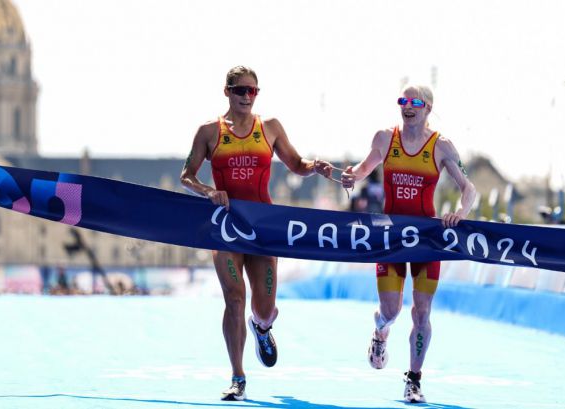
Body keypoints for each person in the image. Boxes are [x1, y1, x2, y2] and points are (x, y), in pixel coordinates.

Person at [180, 66, 332, 401]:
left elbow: (295, 164)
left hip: (263, 229)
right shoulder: (209, 131)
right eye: (241, 90)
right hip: (225, 229)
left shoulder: (270, 127)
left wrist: (314, 167)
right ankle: (238, 376)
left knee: (263, 308)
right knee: (234, 298)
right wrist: (207, 191)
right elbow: (186, 176)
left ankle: (262, 327)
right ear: (227, 92)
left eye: (253, 91)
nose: (247, 97)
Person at [341, 84, 477, 403]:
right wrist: (350, 177)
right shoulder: (385, 138)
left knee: (422, 311)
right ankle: (380, 331)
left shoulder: (441, 145)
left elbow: (468, 188)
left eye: (416, 102)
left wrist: (460, 212)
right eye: (403, 100)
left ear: (428, 108)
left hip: (427, 239)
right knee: (391, 310)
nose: (408, 106)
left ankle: (413, 379)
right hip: (391, 235)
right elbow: (362, 170)